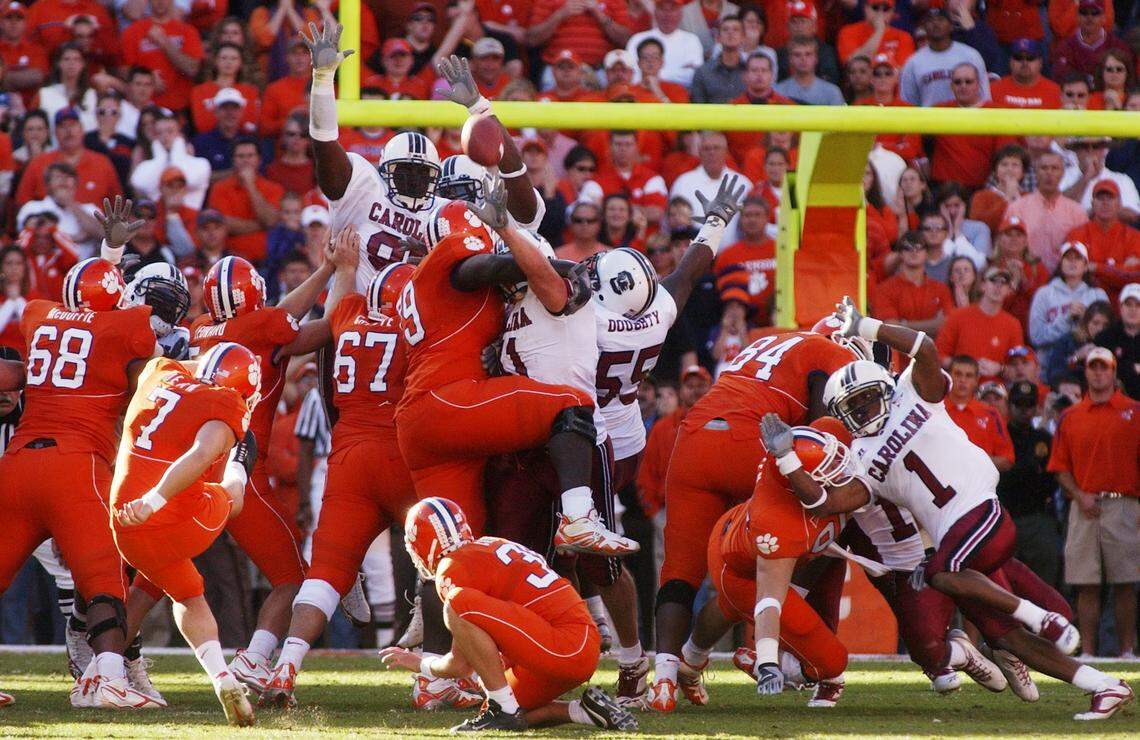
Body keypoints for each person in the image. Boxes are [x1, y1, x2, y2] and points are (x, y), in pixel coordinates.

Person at [801, 298, 1134, 721]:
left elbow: (923, 346)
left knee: (945, 574)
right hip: (958, 544)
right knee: (1004, 634)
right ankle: (1103, 685)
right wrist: (789, 463)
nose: (863, 411)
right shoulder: (860, 454)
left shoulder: (913, 390)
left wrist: (866, 325)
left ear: (878, 381)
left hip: (978, 514)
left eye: (865, 398)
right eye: (853, 407)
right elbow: (828, 502)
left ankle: (1042, 616)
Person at [648, 319, 865, 711]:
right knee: (805, 534)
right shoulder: (834, 353)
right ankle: (759, 647)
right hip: (751, 440)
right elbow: (818, 434)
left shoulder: (768, 340)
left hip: (695, 434)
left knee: (680, 568)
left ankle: (664, 677)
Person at [0, 201, 164, 709]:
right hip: (78, 463)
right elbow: (113, 328)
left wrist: (108, 254)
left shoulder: (36, 314)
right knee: (103, 576)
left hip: (19, 461)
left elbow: (83, 309)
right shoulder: (130, 324)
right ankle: (107, 677)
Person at [260, 236, 424, 708]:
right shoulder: (417, 328)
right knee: (443, 560)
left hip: (348, 455)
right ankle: (438, 668)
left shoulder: (350, 315)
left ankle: (286, 668)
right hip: (400, 453)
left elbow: (342, 296)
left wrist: (343, 263)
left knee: (324, 573)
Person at [379, 498, 637, 732]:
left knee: (457, 604)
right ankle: (583, 711)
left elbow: (459, 665)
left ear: (425, 543)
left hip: (563, 645)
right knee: (505, 703)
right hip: (576, 645)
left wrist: (420, 663)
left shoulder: (452, 567)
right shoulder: (491, 546)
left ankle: (502, 709)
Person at [111, 345, 260, 726]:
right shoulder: (225, 402)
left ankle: (220, 677)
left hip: (123, 526)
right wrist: (153, 500)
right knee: (234, 494)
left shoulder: (158, 373)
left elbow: (176, 368)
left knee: (189, 594)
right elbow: (199, 453)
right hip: (168, 516)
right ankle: (241, 466)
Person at [693, 419, 853, 706]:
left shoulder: (813, 444)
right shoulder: (778, 525)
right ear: (799, 486)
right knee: (833, 661)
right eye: (829, 471)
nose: (840, 472)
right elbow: (769, 601)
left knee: (728, 607)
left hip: (747, 534)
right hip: (742, 572)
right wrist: (768, 664)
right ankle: (759, 662)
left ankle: (689, 659)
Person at [1048, 347, 1140, 657]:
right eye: (1093, 367)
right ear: (1086, 372)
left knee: (1126, 582)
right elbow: (1059, 467)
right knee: (1085, 583)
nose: (1098, 373)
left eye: (1104, 367)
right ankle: (1088, 651)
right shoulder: (1070, 417)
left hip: (1125, 503)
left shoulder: (1134, 412)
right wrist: (1079, 495)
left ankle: (1126, 650)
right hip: (1084, 505)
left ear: (1114, 372)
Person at [999, 380, 1060, 585]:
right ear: (1009, 406)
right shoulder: (999, 435)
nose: (1024, 410)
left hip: (1037, 516)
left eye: (1029, 405)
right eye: (1019, 404)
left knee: (1045, 576)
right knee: (1003, 581)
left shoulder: (1044, 439)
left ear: (1036, 407)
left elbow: (1053, 477)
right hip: (1004, 516)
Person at [1028, 241, 1109, 379]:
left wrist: (1087, 320)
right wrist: (1065, 319)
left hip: (1089, 369)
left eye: (1077, 258)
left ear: (1085, 265)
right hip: (1049, 368)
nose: (1073, 263)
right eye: (1068, 258)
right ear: (1060, 264)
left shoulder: (1097, 295)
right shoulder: (1044, 294)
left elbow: (1107, 336)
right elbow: (1036, 337)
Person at [1003, 151, 1088, 272]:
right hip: (1026, 275)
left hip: (1065, 277)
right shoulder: (1017, 208)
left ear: (1062, 173)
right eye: (1044, 168)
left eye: (1055, 168)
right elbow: (1006, 248)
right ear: (1036, 172)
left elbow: (1082, 251)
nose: (1049, 173)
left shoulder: (1077, 212)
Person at [205, 138, 283, 265]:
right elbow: (223, 224)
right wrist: (261, 225)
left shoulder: (273, 188)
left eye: (250, 156)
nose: (246, 160)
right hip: (229, 262)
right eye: (240, 156)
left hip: (266, 262)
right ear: (233, 160)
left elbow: (270, 220)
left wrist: (250, 185)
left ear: (259, 159)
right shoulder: (220, 188)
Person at [120, 0, 203, 113]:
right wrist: (149, 77)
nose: (160, 1)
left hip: (179, 110)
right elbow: (124, 71)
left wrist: (164, 42)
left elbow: (192, 69)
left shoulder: (188, 31)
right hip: (143, 110)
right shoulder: (132, 31)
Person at [899, 6, 990, 107]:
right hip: (930, 120)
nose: (936, 24)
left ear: (951, 26)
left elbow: (984, 95)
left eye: (941, 20)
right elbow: (908, 102)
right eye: (930, 21)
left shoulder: (970, 55)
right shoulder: (913, 62)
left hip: (966, 119)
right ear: (924, 27)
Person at [872, 230, 953, 335]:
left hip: (933, 349)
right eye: (908, 248)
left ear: (927, 253)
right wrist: (933, 324)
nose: (914, 251)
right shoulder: (885, 289)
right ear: (900, 254)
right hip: (899, 350)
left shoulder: (941, 289)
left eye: (919, 248)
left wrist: (904, 324)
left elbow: (947, 324)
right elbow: (890, 328)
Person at [944, 355, 1015, 472]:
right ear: (949, 376)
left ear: (977, 380)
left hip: (978, 486)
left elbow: (1007, 460)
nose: (963, 380)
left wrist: (971, 462)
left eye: (969, 375)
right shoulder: (936, 409)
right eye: (958, 374)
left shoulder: (991, 414)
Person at [714, 197, 776, 322]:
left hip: (776, 321)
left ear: (767, 218)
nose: (752, 220)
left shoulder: (781, 250)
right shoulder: (727, 255)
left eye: (757, 215)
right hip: (741, 324)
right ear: (740, 220)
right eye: (747, 215)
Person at [625, 0, 703, 87]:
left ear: (680, 13)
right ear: (655, 12)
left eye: (672, 9)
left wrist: (651, 73)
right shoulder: (638, 39)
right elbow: (631, 76)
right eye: (662, 9)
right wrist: (679, 72)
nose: (667, 14)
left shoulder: (691, 40)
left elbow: (694, 76)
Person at [1050, 0, 1130, 81]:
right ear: (1077, 17)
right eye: (1084, 13)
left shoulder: (1117, 47)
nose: (1089, 17)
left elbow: (1129, 82)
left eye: (1095, 13)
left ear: (1104, 18)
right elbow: (1061, 80)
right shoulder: (1065, 48)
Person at [1061, 138, 1140, 220]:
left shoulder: (1122, 180)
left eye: (1096, 147)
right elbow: (1058, 210)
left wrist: (1098, 211)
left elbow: (1133, 215)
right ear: (1076, 151)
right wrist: (1086, 178)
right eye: (1084, 147)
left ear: (1104, 151)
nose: (1090, 151)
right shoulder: (1062, 175)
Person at [1094, 282, 1140, 399]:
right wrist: (1133, 368)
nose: (1133, 310)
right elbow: (1101, 368)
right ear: (1120, 307)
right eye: (1128, 305)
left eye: (1138, 305)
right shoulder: (1105, 337)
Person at [837, 0, 915, 67]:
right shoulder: (848, 32)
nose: (880, 13)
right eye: (875, 7)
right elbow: (854, 65)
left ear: (892, 12)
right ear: (866, 8)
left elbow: (903, 70)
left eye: (886, 9)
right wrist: (879, 30)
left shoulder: (904, 37)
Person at [689, 14, 746, 104]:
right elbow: (697, 109)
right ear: (718, 38)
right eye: (725, 29)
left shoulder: (751, 71)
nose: (730, 33)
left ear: (743, 37)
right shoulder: (703, 72)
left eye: (735, 29)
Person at [989, 39, 1060, 109]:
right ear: (1010, 62)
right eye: (1018, 58)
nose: (1024, 63)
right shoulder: (993, 90)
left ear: (1040, 62)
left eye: (1030, 58)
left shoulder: (1055, 92)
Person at [774, 36, 845, 106]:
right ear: (790, 59)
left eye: (808, 54)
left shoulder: (832, 92)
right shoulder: (778, 92)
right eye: (797, 55)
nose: (803, 59)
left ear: (816, 58)